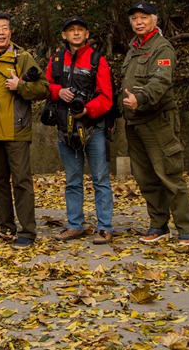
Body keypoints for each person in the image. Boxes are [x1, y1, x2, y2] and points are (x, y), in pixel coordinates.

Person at [119, 1, 189, 246]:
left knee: (170, 175)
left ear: (155, 20)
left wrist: (140, 98)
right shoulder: (134, 49)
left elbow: (160, 83)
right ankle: (159, 225)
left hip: (158, 121)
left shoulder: (162, 48)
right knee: (145, 178)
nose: (138, 22)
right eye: (134, 18)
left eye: (144, 17)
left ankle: (186, 229)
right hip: (134, 121)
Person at [0, 12, 48, 248]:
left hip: (16, 128)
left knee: (21, 181)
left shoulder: (22, 57)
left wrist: (21, 86)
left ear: (11, 32)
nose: (1, 33)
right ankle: (5, 227)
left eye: (5, 28)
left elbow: (43, 89)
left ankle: (28, 231)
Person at [44, 16, 115, 245]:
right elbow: (44, 86)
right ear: (64, 35)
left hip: (94, 127)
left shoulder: (97, 59)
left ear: (86, 34)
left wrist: (87, 109)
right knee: (72, 180)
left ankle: (104, 227)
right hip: (66, 128)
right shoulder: (56, 60)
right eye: (71, 30)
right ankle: (75, 225)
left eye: (80, 30)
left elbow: (107, 97)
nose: (75, 33)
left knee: (100, 179)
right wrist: (58, 92)